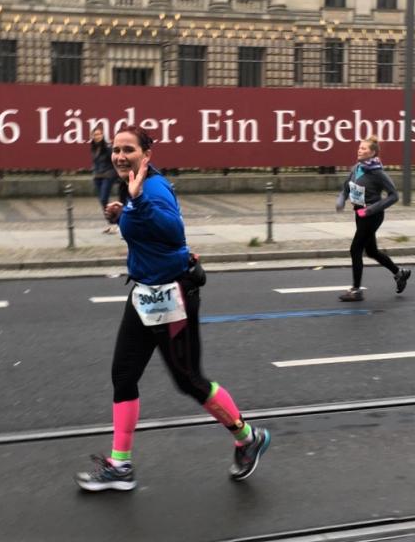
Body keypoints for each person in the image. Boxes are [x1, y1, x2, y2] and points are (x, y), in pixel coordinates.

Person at [75, 125, 270, 492]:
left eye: (129, 149)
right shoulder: (134, 186)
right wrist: (124, 212)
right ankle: (120, 465)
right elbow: (148, 230)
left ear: (146, 154)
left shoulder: (153, 188)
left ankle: (248, 437)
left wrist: (138, 203)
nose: (120, 156)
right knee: (123, 374)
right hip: (145, 293)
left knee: (189, 380)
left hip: (173, 296)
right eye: (116, 149)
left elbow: (172, 230)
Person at [335, 135, 411, 302]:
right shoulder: (356, 168)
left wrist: (370, 209)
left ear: (372, 153)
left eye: (363, 148)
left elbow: (394, 196)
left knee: (355, 249)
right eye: (359, 147)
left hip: (372, 216)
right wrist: (341, 200)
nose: (359, 150)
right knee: (371, 251)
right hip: (359, 214)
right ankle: (400, 273)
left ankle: (356, 291)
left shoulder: (378, 173)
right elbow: (346, 188)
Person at [90, 124, 118, 233]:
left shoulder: (107, 148)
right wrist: (94, 172)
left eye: (99, 134)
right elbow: (96, 162)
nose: (97, 136)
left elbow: (114, 161)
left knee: (103, 198)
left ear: (102, 135)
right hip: (98, 177)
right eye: (95, 135)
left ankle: (114, 222)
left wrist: (115, 174)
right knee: (103, 201)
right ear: (92, 136)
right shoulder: (93, 148)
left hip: (108, 175)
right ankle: (111, 222)